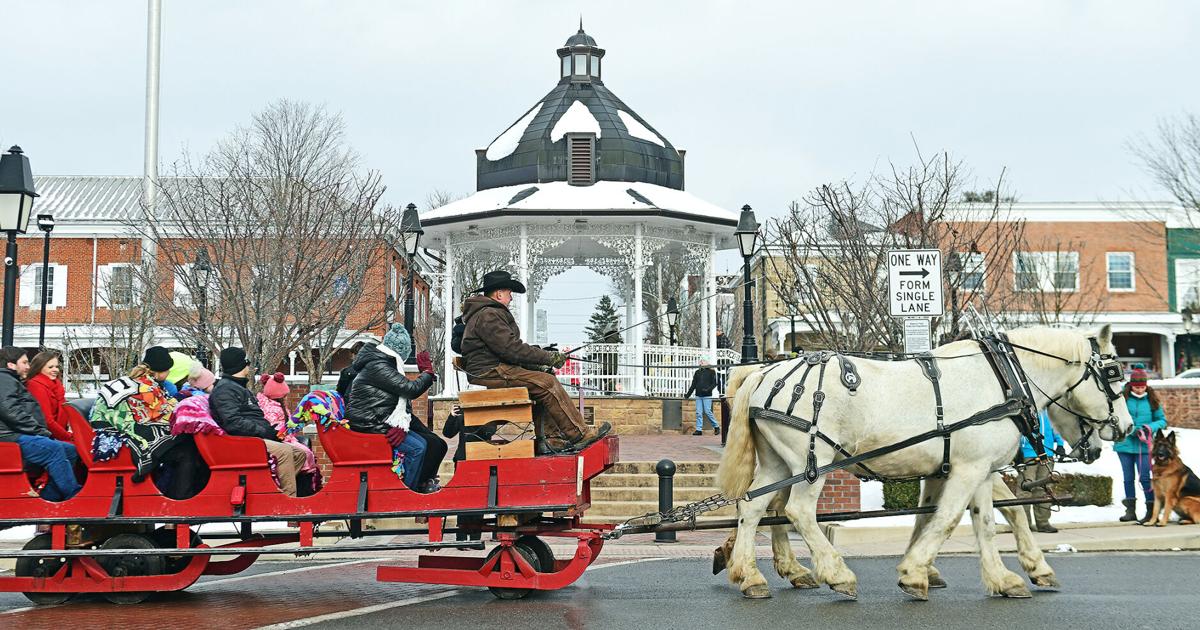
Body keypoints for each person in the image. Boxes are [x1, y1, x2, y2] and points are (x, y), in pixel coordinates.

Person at [460, 270, 610, 454]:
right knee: (546, 383)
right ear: (499, 294)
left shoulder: (487, 313)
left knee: (544, 377)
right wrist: (548, 358)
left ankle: (551, 440)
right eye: (509, 293)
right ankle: (580, 434)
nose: (511, 298)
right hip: (491, 371)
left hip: (495, 368)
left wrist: (540, 362)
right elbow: (511, 349)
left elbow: (508, 348)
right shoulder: (489, 315)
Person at [91, 347, 208, 499]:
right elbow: (162, 414)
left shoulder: (139, 380)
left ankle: (173, 493)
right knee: (186, 450)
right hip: (116, 429)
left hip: (105, 424)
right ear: (161, 371)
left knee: (181, 444)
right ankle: (180, 499)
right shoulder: (147, 386)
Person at [345, 324, 443, 491]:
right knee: (418, 448)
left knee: (427, 443)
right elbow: (409, 390)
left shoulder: (381, 362)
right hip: (369, 424)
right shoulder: (378, 365)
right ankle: (405, 492)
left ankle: (417, 485)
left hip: (377, 419)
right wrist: (427, 373)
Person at [209, 347, 309, 497]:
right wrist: (265, 432)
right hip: (241, 441)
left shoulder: (238, 388)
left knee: (300, 454)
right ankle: (289, 500)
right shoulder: (225, 390)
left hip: (254, 437)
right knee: (285, 452)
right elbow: (233, 422)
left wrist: (272, 432)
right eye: (247, 363)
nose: (249, 366)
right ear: (241, 366)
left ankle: (272, 491)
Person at [0, 346, 81, 502]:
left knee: (70, 450)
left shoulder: (11, 380)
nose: (28, 366)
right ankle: (74, 496)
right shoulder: (4, 379)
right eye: (24, 362)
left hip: (17, 434)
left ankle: (50, 498)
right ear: (11, 365)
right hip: (10, 437)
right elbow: (10, 411)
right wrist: (40, 432)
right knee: (54, 449)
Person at [1115, 368, 1168, 523]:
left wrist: (1149, 428)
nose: (1139, 390)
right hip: (1124, 444)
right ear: (1131, 385)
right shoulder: (1122, 399)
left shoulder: (1152, 400)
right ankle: (1130, 510)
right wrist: (1132, 430)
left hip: (1144, 446)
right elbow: (1118, 418)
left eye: (1142, 387)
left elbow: (1162, 420)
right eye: (1136, 387)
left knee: (1145, 477)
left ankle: (1151, 511)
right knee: (1128, 478)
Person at [256, 371, 321, 494]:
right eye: (285, 396)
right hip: (280, 439)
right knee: (305, 453)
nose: (287, 398)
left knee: (305, 453)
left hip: (285, 437)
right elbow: (279, 429)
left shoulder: (277, 407)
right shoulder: (272, 410)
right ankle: (301, 489)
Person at [1018, 408, 1066, 533]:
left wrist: (1060, 444)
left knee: (1044, 489)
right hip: (1028, 454)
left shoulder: (1047, 409)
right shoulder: (1023, 409)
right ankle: (1024, 524)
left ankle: (1043, 523)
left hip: (1047, 454)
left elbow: (1055, 428)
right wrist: (1018, 452)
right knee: (1025, 489)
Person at [26, 351, 72, 442]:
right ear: (39, 368)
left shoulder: (57, 385)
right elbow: (46, 420)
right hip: (46, 436)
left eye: (57, 366)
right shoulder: (35, 386)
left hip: (60, 433)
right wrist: (68, 436)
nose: (56, 370)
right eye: (50, 367)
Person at [685, 361, 720, 436]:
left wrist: (708, 389)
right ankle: (699, 429)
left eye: (703, 361)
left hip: (707, 395)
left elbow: (714, 383)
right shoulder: (697, 372)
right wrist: (688, 395)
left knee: (707, 411)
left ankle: (716, 426)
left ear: (707, 363)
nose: (701, 362)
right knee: (698, 412)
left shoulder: (712, 372)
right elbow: (693, 384)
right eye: (700, 361)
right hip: (698, 395)